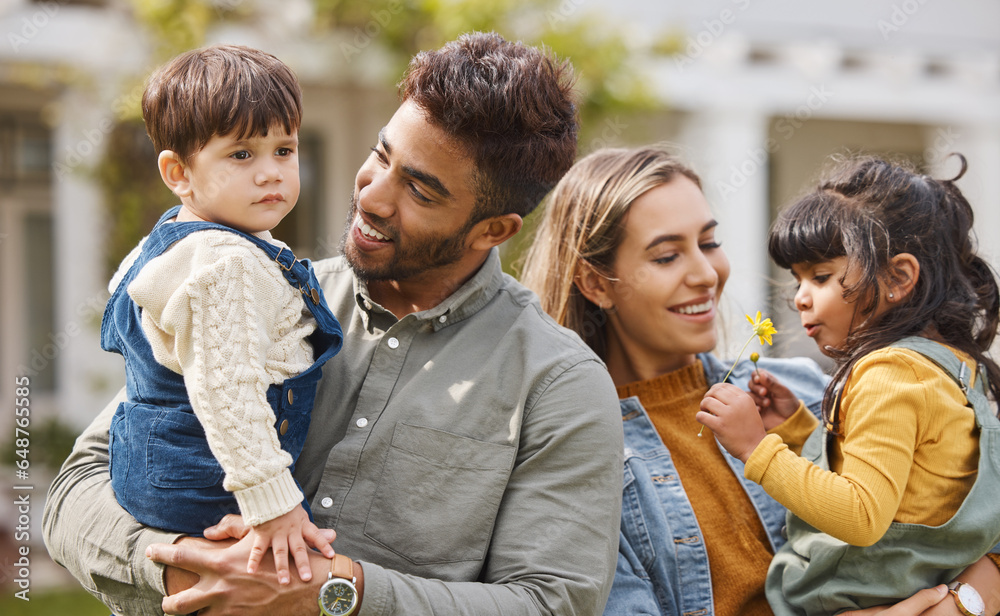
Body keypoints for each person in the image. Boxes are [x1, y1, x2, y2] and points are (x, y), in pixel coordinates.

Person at [43, 32, 624, 616]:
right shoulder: (247, 293)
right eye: (381, 155)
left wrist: (334, 593)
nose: (373, 194)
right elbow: (74, 494)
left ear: (493, 230)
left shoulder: (559, 383)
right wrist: (185, 571)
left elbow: (553, 603)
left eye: (419, 190)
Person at [519, 145, 1000, 616]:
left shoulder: (805, 390)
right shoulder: (572, 455)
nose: (706, 273)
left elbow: (967, 505)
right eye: (667, 256)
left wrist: (968, 603)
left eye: (709, 243)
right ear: (596, 283)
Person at [699, 154, 1000, 615]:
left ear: (898, 277)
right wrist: (798, 430)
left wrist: (756, 447)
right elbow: (910, 483)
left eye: (820, 276)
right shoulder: (952, 370)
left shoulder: (888, 373)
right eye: (797, 279)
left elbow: (862, 515)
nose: (800, 297)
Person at [98, 44, 344, 589]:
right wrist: (273, 504)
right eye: (241, 155)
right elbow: (226, 388)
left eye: (284, 151)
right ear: (178, 172)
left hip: (155, 466)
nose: (270, 174)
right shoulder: (224, 262)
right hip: (208, 484)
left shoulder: (171, 240)